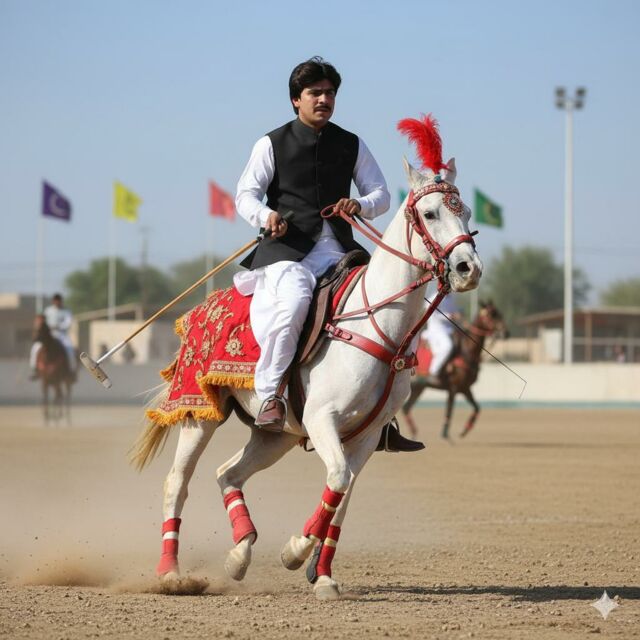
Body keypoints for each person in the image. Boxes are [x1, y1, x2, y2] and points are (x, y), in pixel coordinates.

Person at [234, 56, 423, 452]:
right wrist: (266, 215)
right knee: (295, 300)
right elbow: (245, 195)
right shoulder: (271, 143)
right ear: (295, 100)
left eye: (330, 93)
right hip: (286, 254)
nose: (324, 99)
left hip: (340, 251)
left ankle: (383, 415)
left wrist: (360, 205)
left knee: (390, 302)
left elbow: (381, 194)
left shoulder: (351, 143)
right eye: (315, 93)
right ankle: (270, 396)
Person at [29, 293, 76, 379]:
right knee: (35, 348)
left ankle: (71, 370)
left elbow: (68, 323)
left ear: (61, 301)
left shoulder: (66, 311)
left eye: (59, 301)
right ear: (53, 301)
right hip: (49, 334)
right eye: (56, 301)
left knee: (70, 349)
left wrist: (58, 326)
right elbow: (43, 321)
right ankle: (34, 369)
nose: (57, 302)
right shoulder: (48, 311)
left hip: (62, 334)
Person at [421, 292, 461, 386]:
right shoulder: (434, 297)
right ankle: (433, 372)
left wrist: (458, 315)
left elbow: (454, 311)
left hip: (450, 329)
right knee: (448, 346)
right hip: (436, 329)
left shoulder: (451, 297)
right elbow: (431, 313)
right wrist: (450, 316)